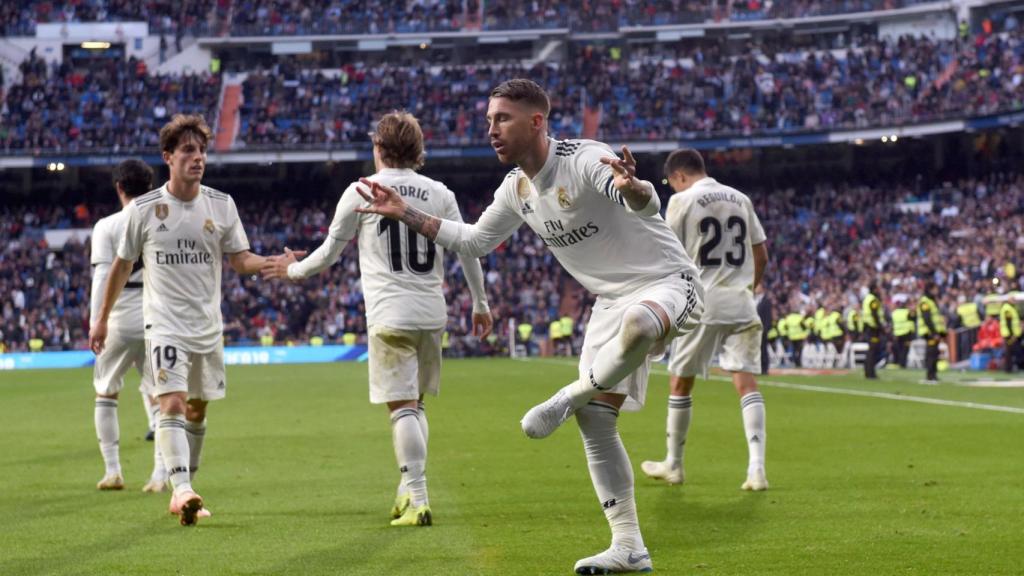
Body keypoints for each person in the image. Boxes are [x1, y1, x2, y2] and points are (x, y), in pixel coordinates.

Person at [355, 79, 703, 574]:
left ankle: (571, 393)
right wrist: (406, 212)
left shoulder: (584, 159)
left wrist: (636, 188)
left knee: (641, 324)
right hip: (608, 303)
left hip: (668, 281)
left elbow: (638, 199)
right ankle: (629, 546)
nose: (491, 130)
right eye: (489, 120)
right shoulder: (516, 188)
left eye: (502, 119)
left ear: (536, 121)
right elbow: (473, 241)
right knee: (597, 421)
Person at [260, 111, 493, 527]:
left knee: (401, 407)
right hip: (431, 312)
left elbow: (330, 252)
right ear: (417, 149)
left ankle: (419, 497)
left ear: (380, 149)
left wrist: (291, 269)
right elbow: (467, 246)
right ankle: (407, 490)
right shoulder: (440, 191)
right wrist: (480, 302)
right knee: (416, 405)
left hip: (390, 312)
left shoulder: (362, 190)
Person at [89, 114, 279, 526]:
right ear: (168, 158)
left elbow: (240, 259)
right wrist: (101, 318)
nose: (198, 158)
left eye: (202, 151)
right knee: (170, 402)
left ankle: (186, 487)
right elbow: (120, 266)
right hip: (163, 323)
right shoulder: (145, 209)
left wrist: (272, 264)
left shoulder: (221, 204)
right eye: (188, 151)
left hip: (207, 326)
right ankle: (181, 489)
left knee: (197, 410)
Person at [639, 149, 769, 491]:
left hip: (702, 304)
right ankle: (756, 470)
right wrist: (749, 287)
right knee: (746, 382)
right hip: (741, 302)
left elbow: (666, 255)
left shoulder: (682, 202)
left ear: (679, 176)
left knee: (680, 382)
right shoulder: (740, 199)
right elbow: (761, 252)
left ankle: (674, 465)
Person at [90, 158, 167, 493]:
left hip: (120, 313)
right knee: (161, 394)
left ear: (119, 187)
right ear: (149, 187)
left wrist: (98, 321)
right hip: (156, 312)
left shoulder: (107, 226)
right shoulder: (162, 222)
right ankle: (161, 475)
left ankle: (113, 471)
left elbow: (102, 277)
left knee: (106, 392)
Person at [916, 283, 946, 383]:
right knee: (931, 353)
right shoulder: (925, 302)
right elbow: (927, 318)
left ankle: (933, 374)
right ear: (930, 289)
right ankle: (930, 375)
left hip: (933, 332)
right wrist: (934, 333)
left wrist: (941, 332)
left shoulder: (931, 301)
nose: (937, 291)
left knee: (934, 353)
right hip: (929, 332)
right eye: (935, 289)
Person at [862, 282, 885, 379]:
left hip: (868, 327)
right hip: (873, 328)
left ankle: (868, 371)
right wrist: (880, 326)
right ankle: (871, 373)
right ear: (875, 289)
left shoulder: (867, 298)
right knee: (873, 351)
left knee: (871, 350)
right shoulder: (873, 299)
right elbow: (874, 314)